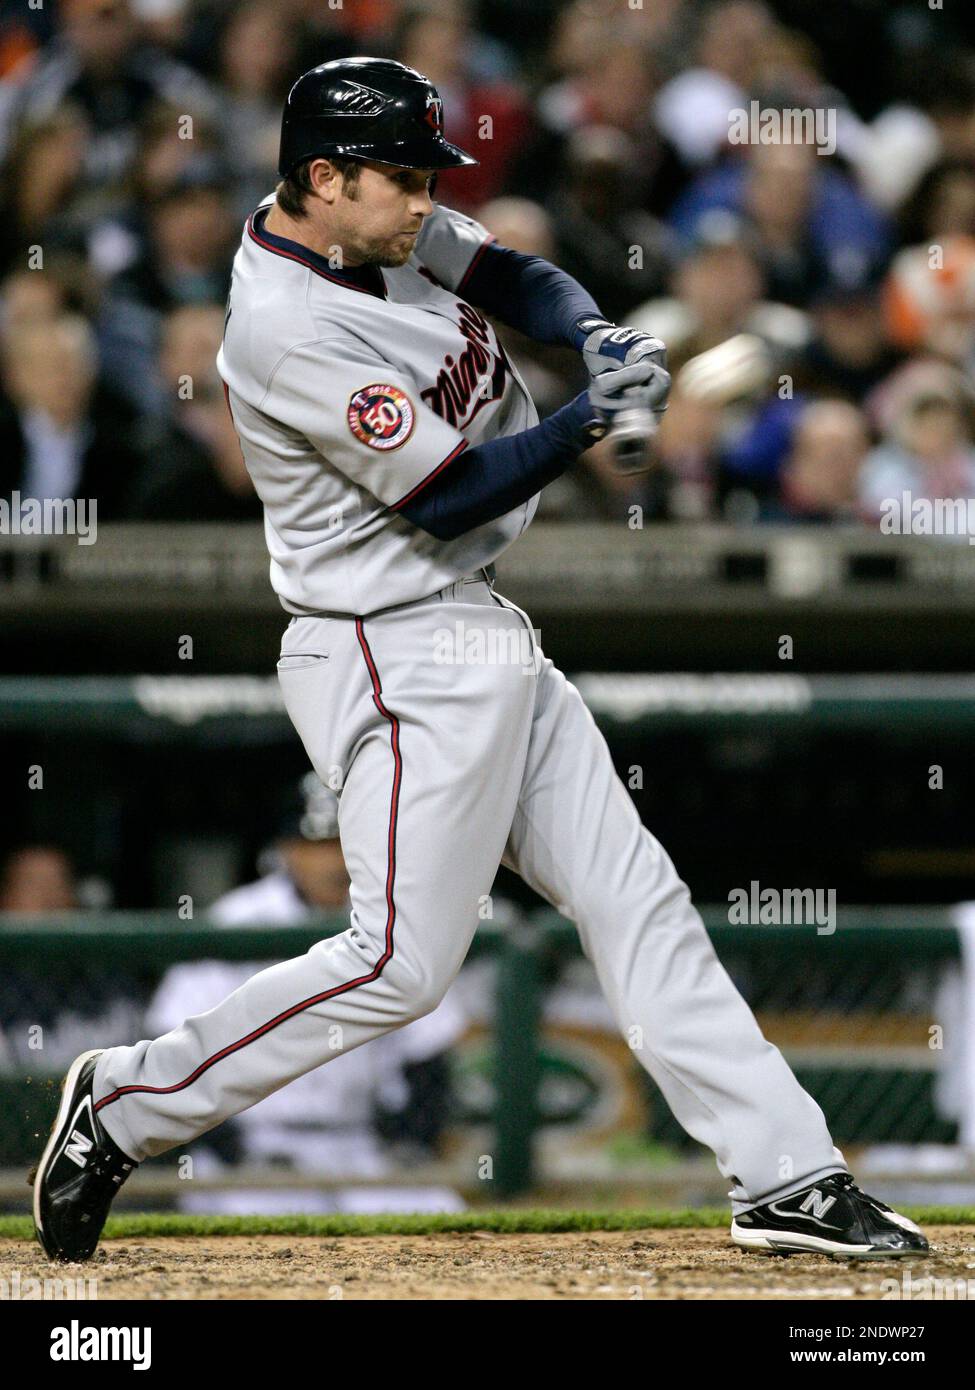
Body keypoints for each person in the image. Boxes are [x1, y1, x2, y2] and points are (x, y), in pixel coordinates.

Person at [32, 56, 928, 1264]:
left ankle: (785, 1172)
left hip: (473, 624)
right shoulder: (288, 325)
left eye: (421, 177)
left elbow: (513, 271)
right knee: (399, 966)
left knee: (634, 895)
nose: (421, 200)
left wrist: (596, 337)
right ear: (322, 177)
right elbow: (451, 495)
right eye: (400, 179)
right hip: (390, 646)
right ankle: (129, 1103)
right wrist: (587, 418)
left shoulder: (365, 219)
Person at [146, 780, 466, 1214]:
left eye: (343, 843)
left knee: (439, 1212)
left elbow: (431, 1051)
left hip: (357, 1143)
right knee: (260, 1226)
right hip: (256, 1142)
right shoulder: (239, 920)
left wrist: (409, 1138)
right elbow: (172, 1037)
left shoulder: (392, 919)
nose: (334, 861)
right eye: (318, 845)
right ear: (287, 850)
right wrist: (224, 1143)